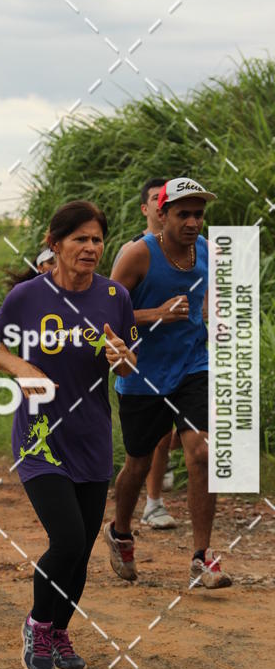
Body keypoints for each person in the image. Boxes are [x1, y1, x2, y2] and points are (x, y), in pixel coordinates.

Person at [0, 201, 137, 669]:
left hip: (92, 437)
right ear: (55, 244)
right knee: (67, 539)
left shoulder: (114, 296)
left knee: (83, 547)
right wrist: (22, 368)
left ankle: (60, 630)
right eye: (80, 239)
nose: (91, 248)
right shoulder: (28, 296)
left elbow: (129, 363)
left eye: (97, 239)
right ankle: (37, 624)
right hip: (40, 439)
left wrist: (120, 357)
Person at [105, 176, 232, 589]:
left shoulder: (206, 250)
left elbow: (207, 299)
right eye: (183, 214)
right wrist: (154, 314)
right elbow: (104, 316)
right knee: (138, 464)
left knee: (202, 453)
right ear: (162, 214)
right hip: (142, 375)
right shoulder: (137, 254)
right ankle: (120, 532)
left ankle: (202, 557)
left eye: (199, 214)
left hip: (194, 366)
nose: (193, 222)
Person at [114, 179, 177, 529]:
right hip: (140, 365)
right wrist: (158, 314)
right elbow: (109, 310)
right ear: (146, 208)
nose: (161, 203)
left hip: (184, 361)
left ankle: (154, 503)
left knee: (176, 436)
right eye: (156, 198)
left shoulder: (194, 250)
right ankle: (124, 522)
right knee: (142, 452)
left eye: (167, 198)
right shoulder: (132, 250)